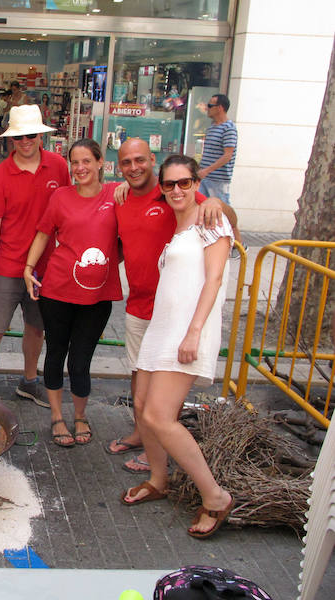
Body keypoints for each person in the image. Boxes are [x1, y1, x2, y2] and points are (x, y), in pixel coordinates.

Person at [120, 154, 234, 540]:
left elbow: (214, 280)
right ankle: (158, 478)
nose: (177, 191)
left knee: (159, 416)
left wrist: (194, 332)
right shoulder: (180, 228)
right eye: (169, 185)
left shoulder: (211, 222)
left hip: (187, 333)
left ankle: (215, 496)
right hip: (161, 330)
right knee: (142, 408)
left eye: (184, 182)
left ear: (196, 182)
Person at [107, 138, 230, 473]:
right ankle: (141, 436)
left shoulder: (187, 201)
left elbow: (223, 222)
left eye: (139, 160)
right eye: (126, 162)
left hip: (176, 318)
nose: (133, 167)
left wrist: (218, 200)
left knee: (162, 397)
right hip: (141, 306)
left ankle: (158, 448)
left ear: (151, 159)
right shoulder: (121, 196)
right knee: (140, 381)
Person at [23, 139, 121, 446]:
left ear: (100, 162)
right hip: (57, 290)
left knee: (81, 361)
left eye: (86, 162)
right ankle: (56, 416)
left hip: (98, 295)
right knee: (55, 354)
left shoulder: (117, 194)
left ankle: (80, 416)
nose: (80, 168)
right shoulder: (60, 196)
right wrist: (28, 267)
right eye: (74, 163)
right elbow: (43, 233)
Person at [0, 104, 69, 400]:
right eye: (19, 137)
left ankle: (29, 381)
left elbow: (71, 208)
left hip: (46, 268)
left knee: (36, 328)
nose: (25, 141)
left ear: (40, 135)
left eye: (30, 135)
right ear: (10, 140)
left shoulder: (58, 166)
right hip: (6, 266)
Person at [198, 93, 242, 248]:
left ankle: (238, 245)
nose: (207, 109)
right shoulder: (212, 128)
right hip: (206, 176)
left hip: (218, 179)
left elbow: (227, 155)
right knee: (202, 207)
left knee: (225, 211)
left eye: (211, 106)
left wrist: (207, 170)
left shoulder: (229, 128)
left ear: (220, 108)